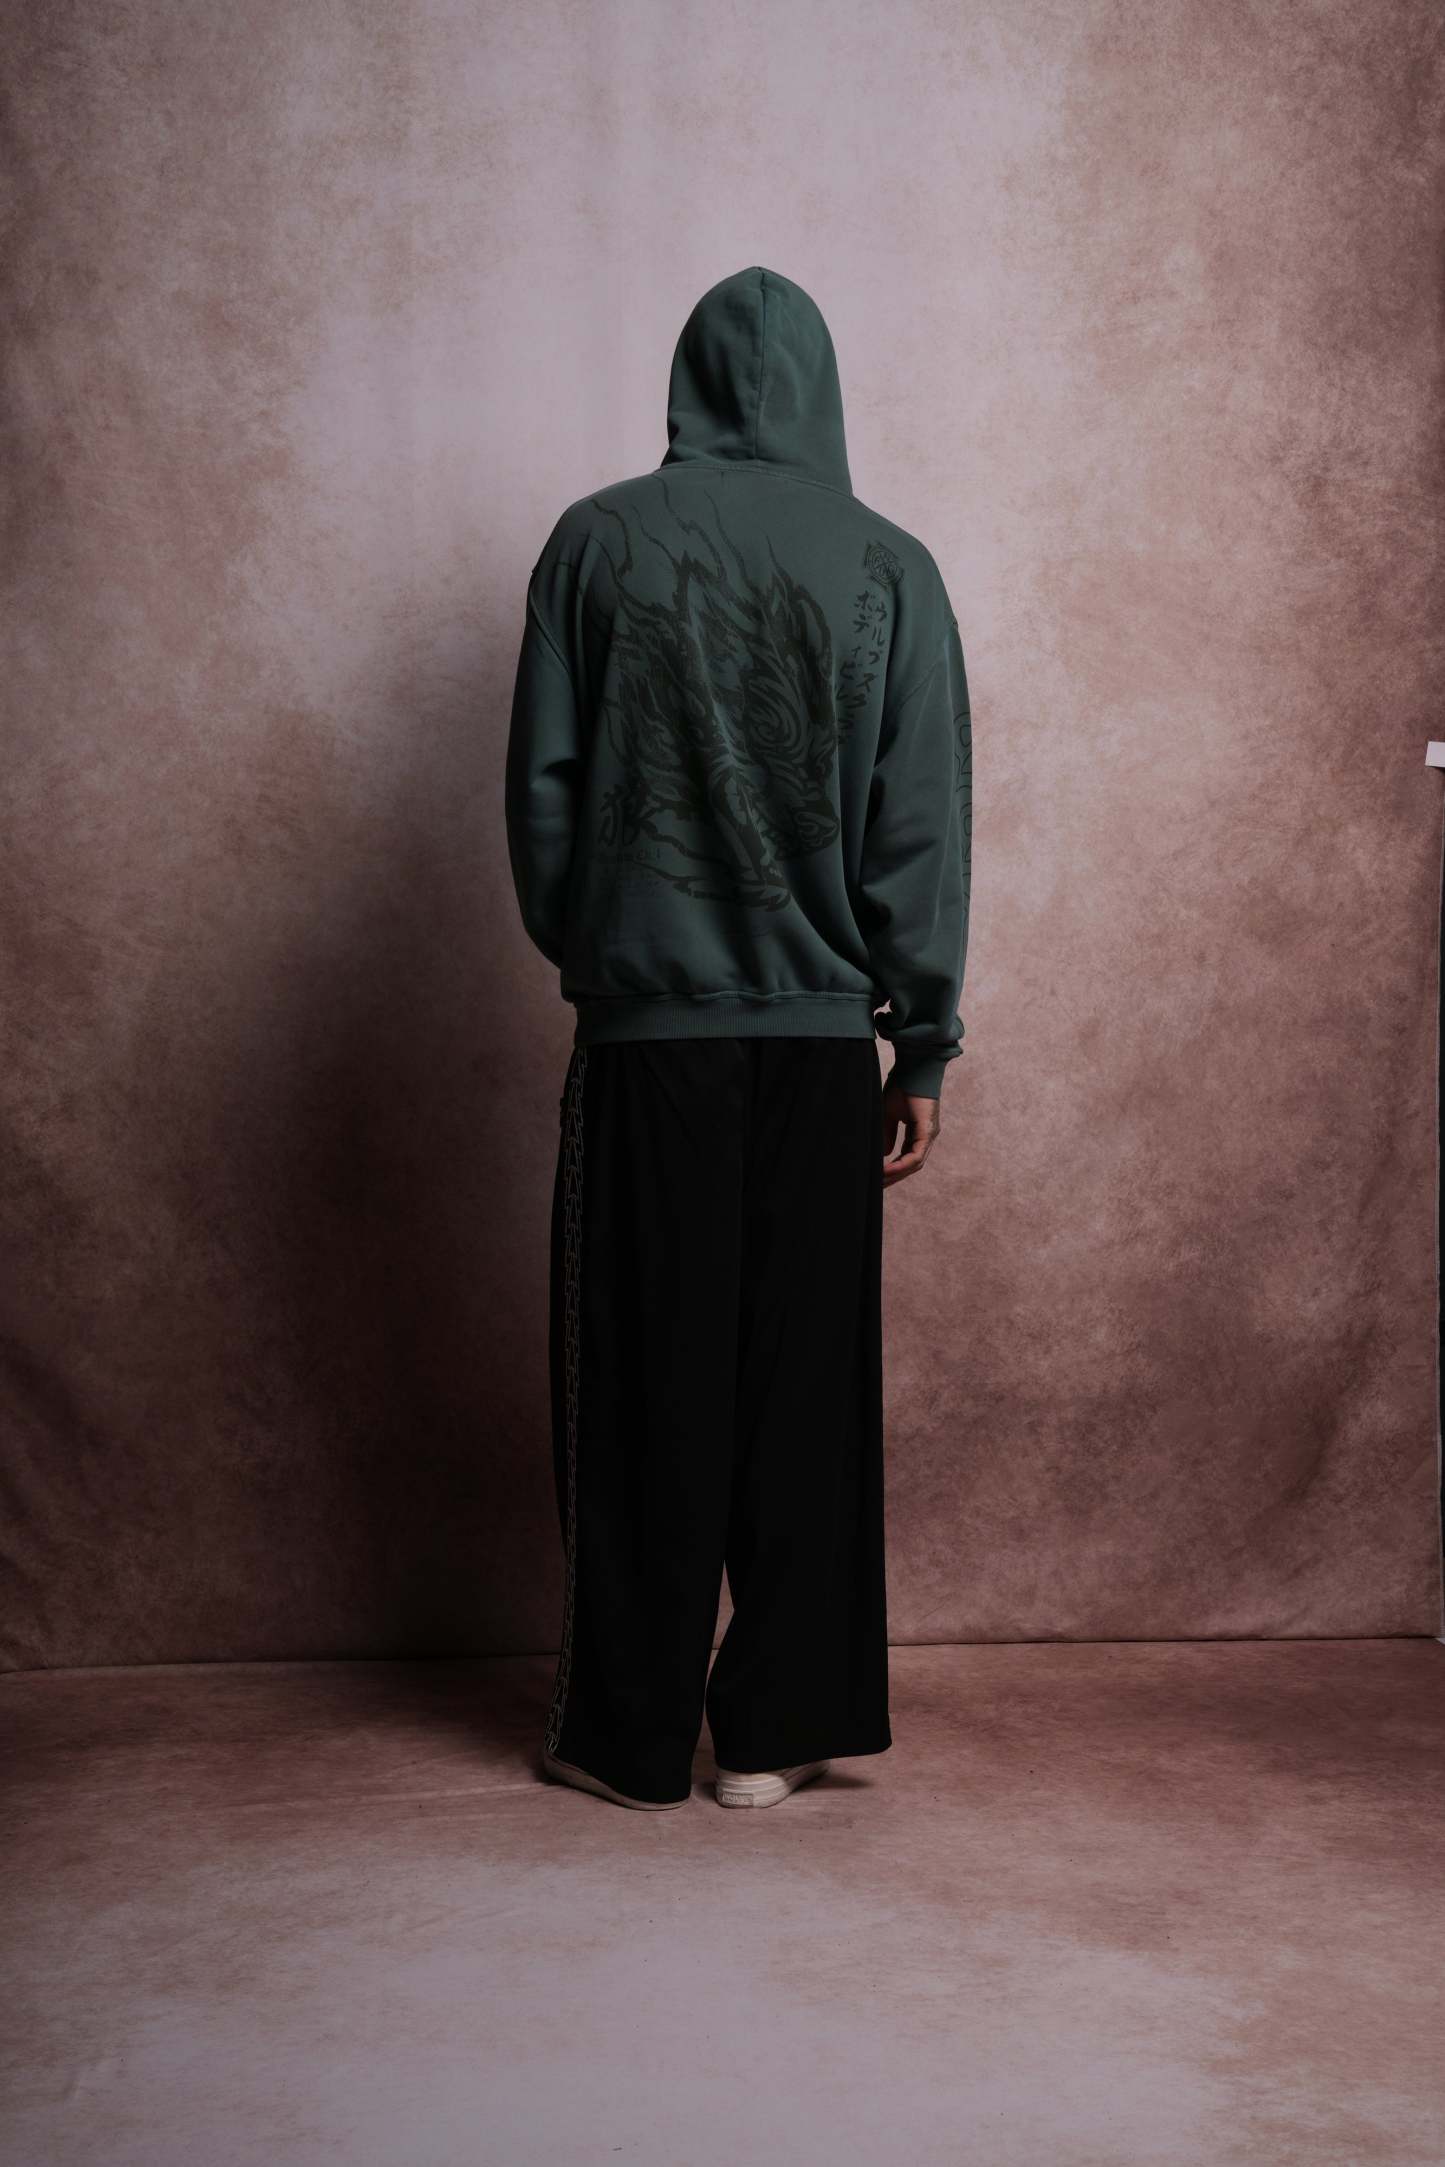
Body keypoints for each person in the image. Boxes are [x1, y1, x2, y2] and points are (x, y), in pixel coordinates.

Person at [504, 265, 972, 1812]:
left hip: (650, 1040)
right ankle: (776, 1733)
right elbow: (920, 828)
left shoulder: (595, 544)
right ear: (822, 389)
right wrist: (918, 1040)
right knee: (802, 1391)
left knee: (642, 1378)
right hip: (822, 1045)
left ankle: (627, 1736)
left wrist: (612, 955)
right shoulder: (890, 567)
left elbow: (544, 796)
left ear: (687, 380)